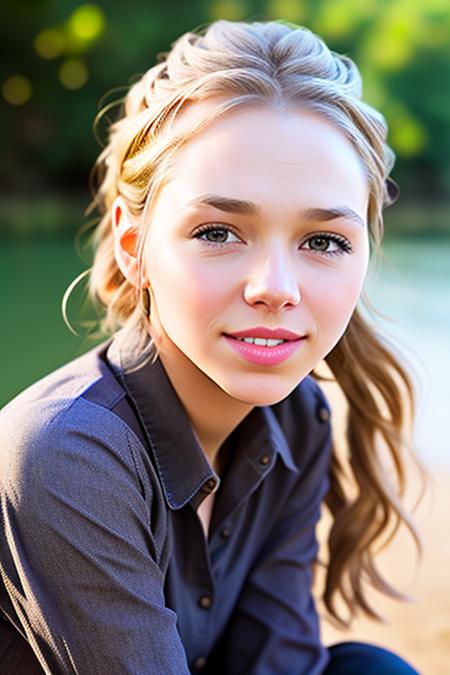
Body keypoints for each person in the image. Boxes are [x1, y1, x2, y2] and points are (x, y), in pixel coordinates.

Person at [0, 18, 427, 675]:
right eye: (219, 231)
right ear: (131, 242)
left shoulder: (297, 417)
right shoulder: (64, 452)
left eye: (323, 241)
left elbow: (277, 662)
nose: (275, 288)